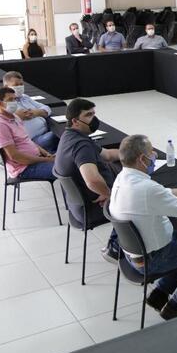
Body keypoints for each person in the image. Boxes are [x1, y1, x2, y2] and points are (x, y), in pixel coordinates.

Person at [110, 134, 177, 320]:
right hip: (153, 258)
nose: (154, 155)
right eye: (151, 152)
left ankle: (159, 294)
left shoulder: (122, 178)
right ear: (142, 159)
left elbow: (163, 193)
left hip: (132, 255)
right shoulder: (146, 188)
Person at [53, 98, 121, 262]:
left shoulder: (70, 135)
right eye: (88, 115)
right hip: (92, 208)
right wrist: (110, 195)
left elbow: (107, 155)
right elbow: (92, 181)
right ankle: (115, 248)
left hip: (76, 206)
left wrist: (132, 152)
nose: (94, 119)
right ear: (75, 121)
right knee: (136, 202)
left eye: (93, 114)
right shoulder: (81, 145)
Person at [0, 87, 56, 181]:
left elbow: (27, 140)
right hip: (24, 168)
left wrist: (46, 153)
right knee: (66, 170)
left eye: (14, 99)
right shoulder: (0, 125)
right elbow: (15, 156)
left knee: (68, 160)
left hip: (36, 159)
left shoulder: (15, 117)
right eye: (10, 100)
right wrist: (46, 160)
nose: (14, 102)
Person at [0, 71, 58, 152]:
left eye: (21, 84)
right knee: (61, 136)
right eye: (16, 85)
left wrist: (35, 112)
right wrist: (16, 117)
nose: (19, 87)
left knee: (62, 133)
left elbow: (47, 108)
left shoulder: (25, 97)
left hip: (46, 130)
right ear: (6, 86)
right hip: (30, 142)